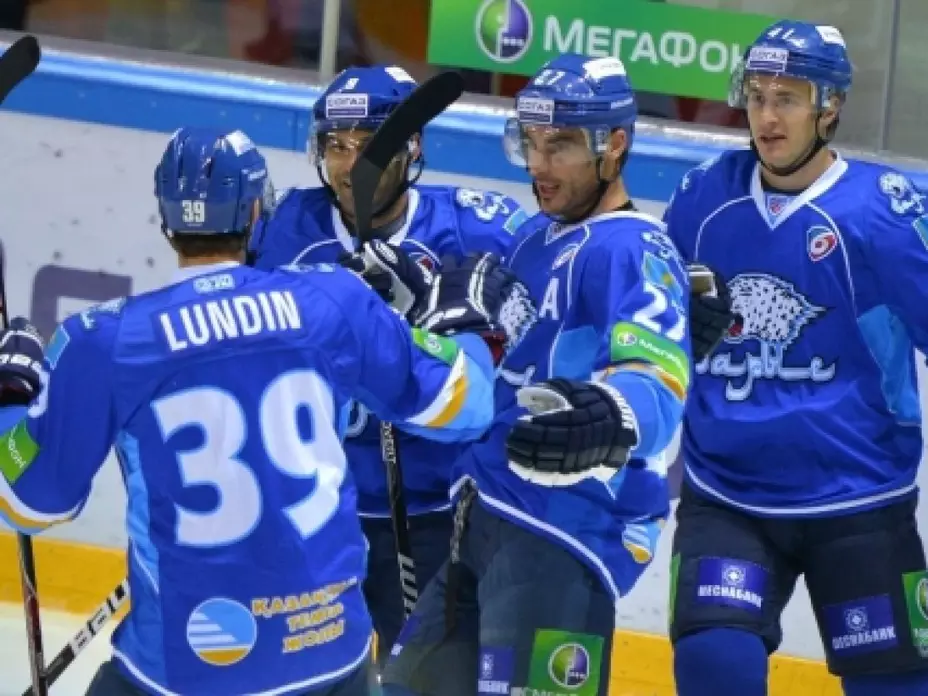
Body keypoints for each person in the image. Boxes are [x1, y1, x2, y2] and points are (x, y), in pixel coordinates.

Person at [0, 127, 534, 696]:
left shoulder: (103, 340)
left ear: (166, 218)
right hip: (331, 660)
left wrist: (12, 396)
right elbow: (467, 405)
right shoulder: (334, 301)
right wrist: (466, 328)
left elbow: (26, 504)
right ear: (257, 211)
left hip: (184, 672)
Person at [664, 20, 928, 696]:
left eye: (786, 99)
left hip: (857, 494)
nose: (766, 117)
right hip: (727, 492)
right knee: (714, 664)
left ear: (830, 106)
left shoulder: (879, 209)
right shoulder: (705, 197)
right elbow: (646, 308)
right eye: (757, 96)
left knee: (892, 687)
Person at [377, 53, 691, 696]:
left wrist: (612, 415)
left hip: (561, 534)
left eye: (562, 145)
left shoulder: (633, 246)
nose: (539, 165)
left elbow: (656, 382)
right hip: (481, 519)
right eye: (532, 143)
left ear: (615, 145)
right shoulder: (533, 240)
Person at [248, 63, 528, 665]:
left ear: (413, 145)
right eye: (337, 146)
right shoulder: (280, 232)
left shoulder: (476, 227)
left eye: (368, 146)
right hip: (315, 516)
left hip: (436, 515)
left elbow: (560, 289)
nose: (351, 165)